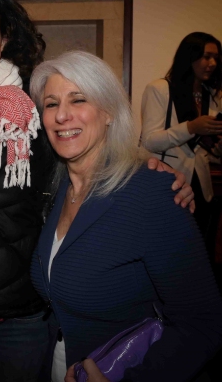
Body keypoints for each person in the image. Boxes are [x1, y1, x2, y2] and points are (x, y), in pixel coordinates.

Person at [0, 0, 194, 382]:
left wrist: (147, 164)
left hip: (23, 321)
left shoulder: (36, 109)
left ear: (4, 39)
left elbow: (88, 151)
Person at [29, 50, 222, 382]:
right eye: (50, 104)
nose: (62, 116)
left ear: (107, 113)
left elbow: (202, 323)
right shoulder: (57, 185)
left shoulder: (152, 192)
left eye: (78, 100)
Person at [141, 32, 222, 262]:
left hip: (203, 186)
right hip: (169, 184)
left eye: (216, 57)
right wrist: (191, 127)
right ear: (190, 57)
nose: (213, 63)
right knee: (170, 255)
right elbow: (149, 141)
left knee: (201, 254)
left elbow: (208, 152)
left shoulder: (211, 96)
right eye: (207, 56)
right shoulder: (160, 89)